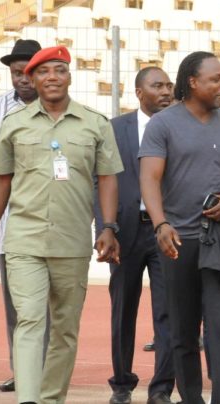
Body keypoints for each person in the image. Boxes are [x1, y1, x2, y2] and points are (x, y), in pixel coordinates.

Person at [0, 45, 123, 404]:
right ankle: (29, 400)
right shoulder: (13, 124)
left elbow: (108, 178)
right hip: (24, 239)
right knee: (30, 321)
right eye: (44, 72)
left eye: (59, 70)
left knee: (65, 329)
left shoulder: (94, 123)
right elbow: (0, 180)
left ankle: (51, 399)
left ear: (69, 76)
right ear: (32, 79)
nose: (52, 77)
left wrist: (108, 227)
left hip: (72, 241)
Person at [139, 51, 220, 404]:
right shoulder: (163, 124)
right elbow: (150, 178)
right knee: (182, 331)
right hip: (177, 240)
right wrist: (161, 223)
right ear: (193, 82)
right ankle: (191, 398)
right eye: (215, 79)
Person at [94, 66, 175, 404]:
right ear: (139, 93)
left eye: (169, 85)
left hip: (166, 232)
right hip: (124, 231)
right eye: (158, 86)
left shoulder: (179, 125)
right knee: (123, 308)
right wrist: (105, 227)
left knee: (168, 311)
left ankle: (161, 388)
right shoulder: (114, 129)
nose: (166, 91)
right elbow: (99, 181)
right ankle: (122, 384)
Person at [0, 38, 48, 395]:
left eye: (29, 72)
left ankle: (47, 373)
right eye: (16, 73)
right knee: (17, 305)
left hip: (47, 218)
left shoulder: (58, 107)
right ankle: (24, 371)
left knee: (51, 304)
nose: (23, 80)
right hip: (7, 221)